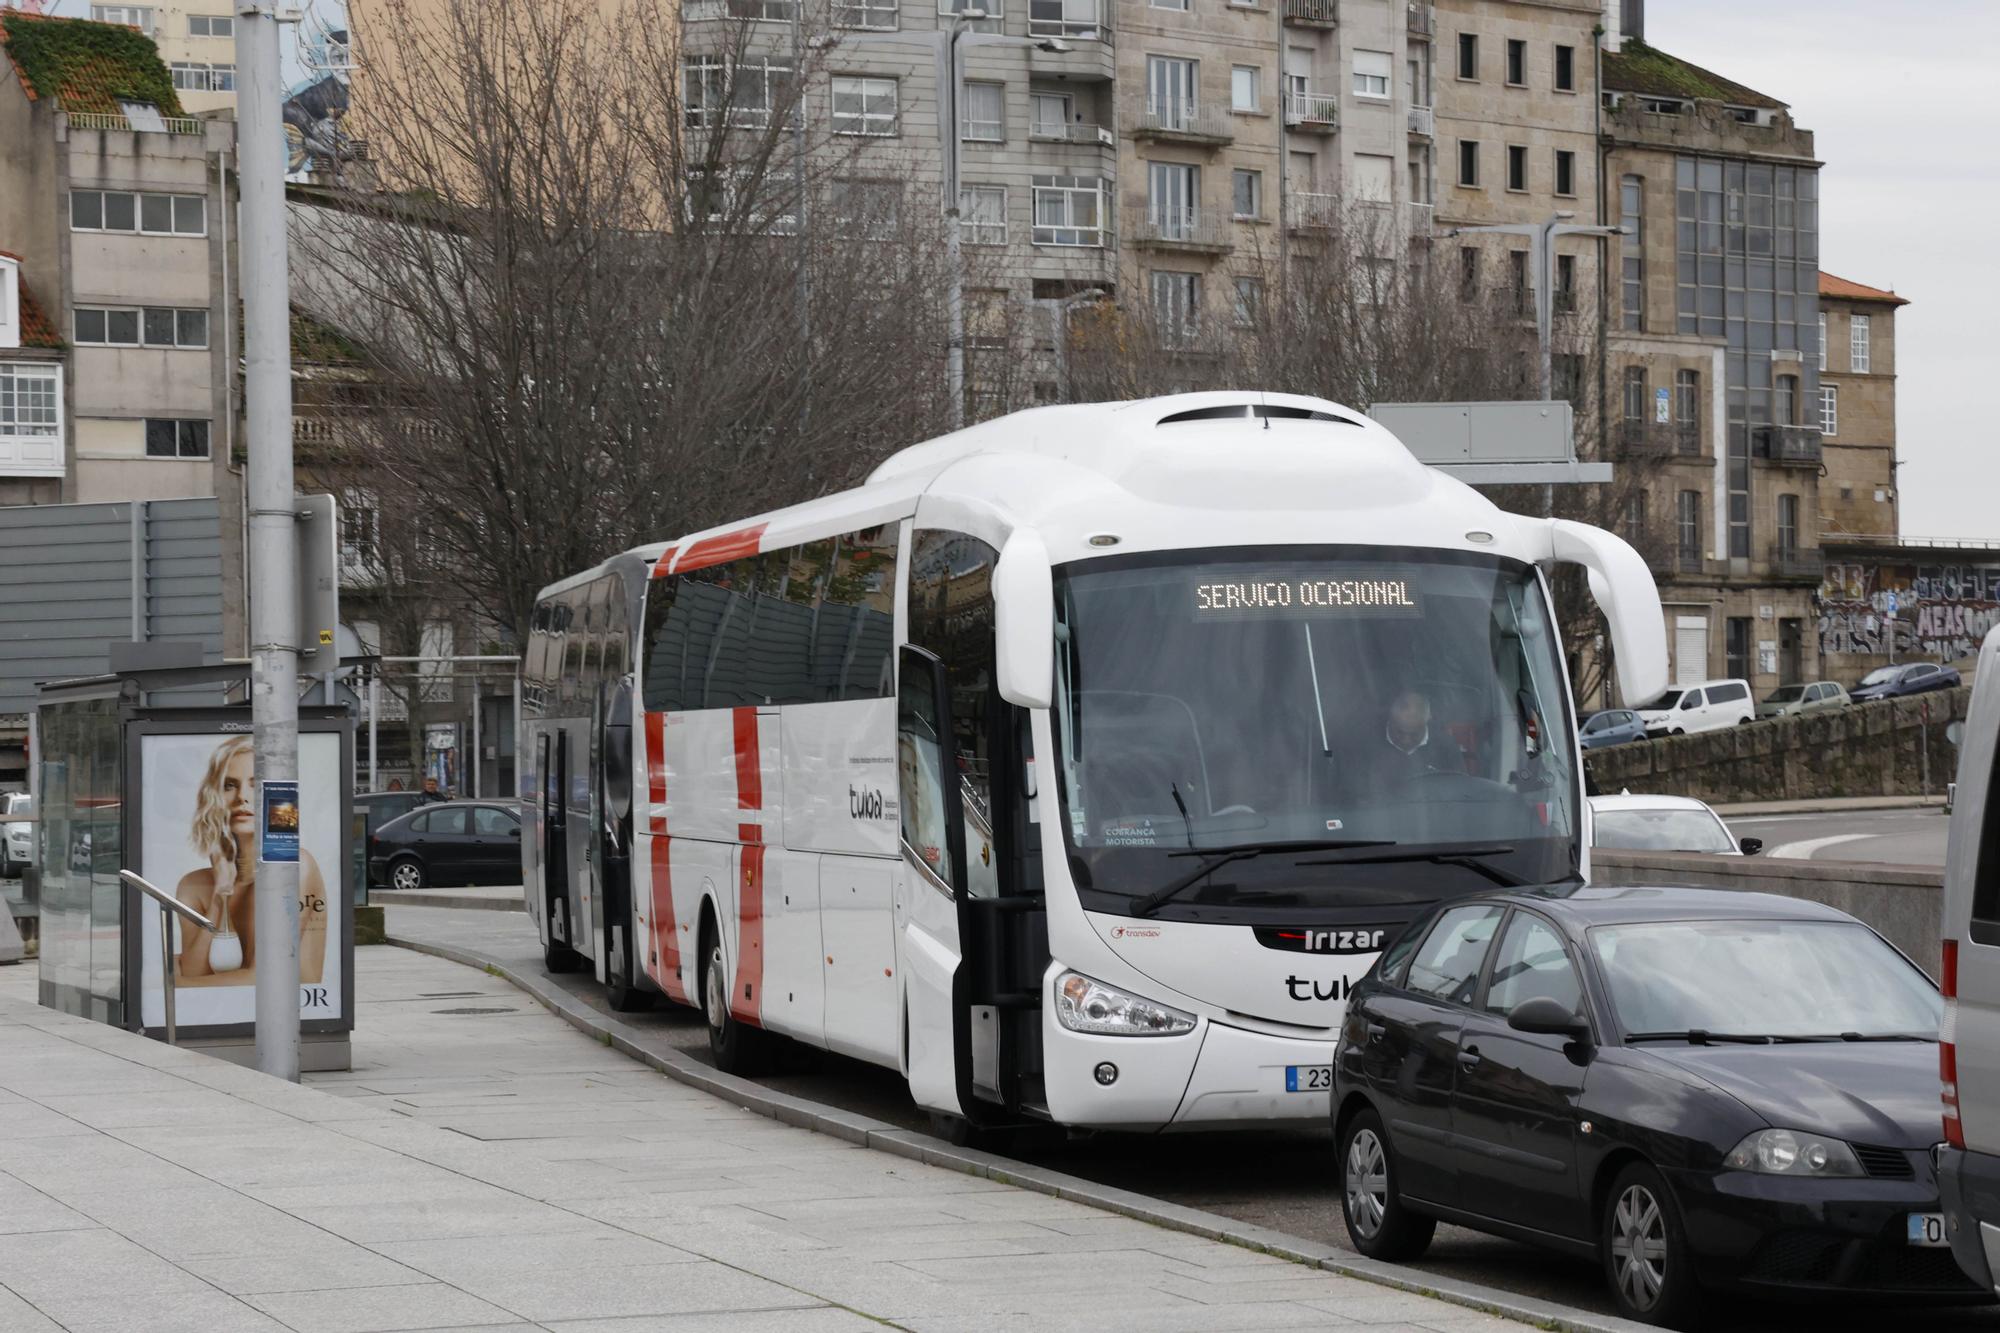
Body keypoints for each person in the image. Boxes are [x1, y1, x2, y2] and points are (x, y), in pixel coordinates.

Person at [174, 735, 329, 987]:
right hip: (222, 1015)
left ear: (276, 794)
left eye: (256, 785)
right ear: (213, 795)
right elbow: (195, 970)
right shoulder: (195, 885)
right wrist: (220, 894)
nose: (242, 798)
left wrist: (175, 982)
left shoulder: (294, 865)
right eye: (229, 785)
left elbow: (266, 977)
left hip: (292, 1019)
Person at [1369, 688, 1457, 789]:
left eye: (1414, 734)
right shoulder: (1367, 744)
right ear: (1390, 716)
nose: (1406, 740)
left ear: (1428, 719)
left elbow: (1458, 789)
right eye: (1400, 733)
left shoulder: (1445, 746)